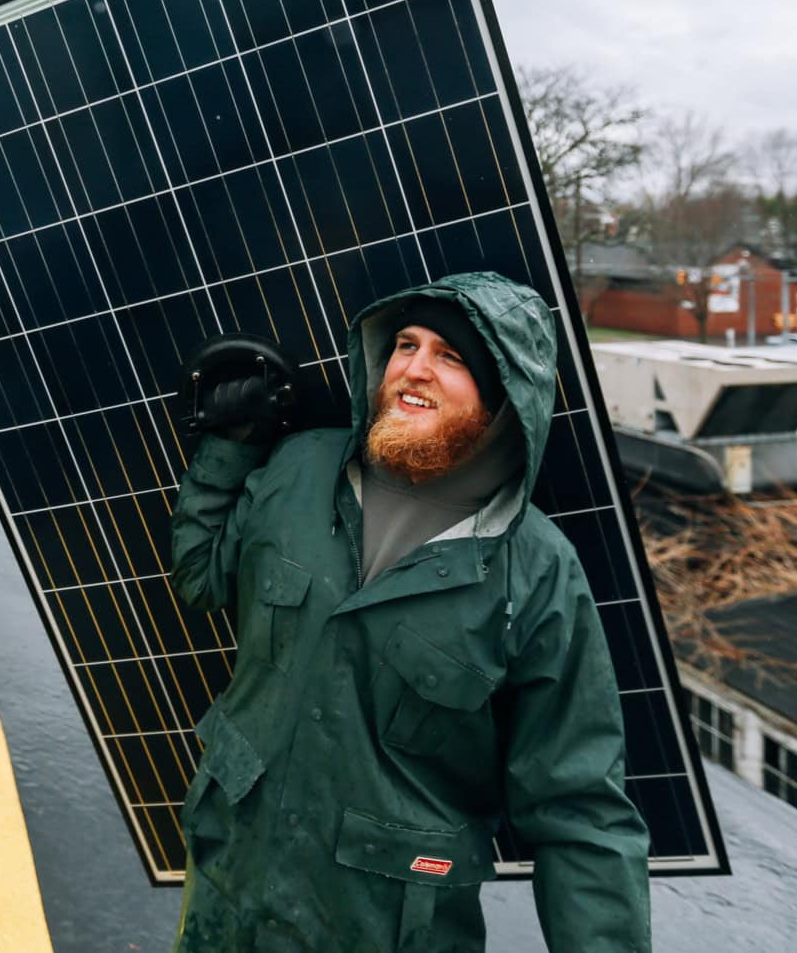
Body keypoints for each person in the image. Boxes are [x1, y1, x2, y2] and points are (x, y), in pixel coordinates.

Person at [168, 271, 651, 952]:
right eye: (404, 344)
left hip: (383, 929)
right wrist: (230, 445)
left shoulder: (537, 571)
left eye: (450, 356)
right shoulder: (299, 468)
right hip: (227, 899)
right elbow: (199, 576)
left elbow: (579, 811)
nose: (414, 368)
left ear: (504, 394)